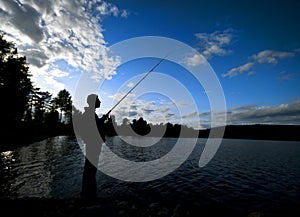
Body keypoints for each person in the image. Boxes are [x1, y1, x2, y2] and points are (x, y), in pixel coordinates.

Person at [80, 94, 108, 197]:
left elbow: (94, 125)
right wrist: (102, 120)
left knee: (90, 168)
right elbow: (93, 128)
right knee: (90, 169)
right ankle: (89, 194)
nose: (100, 102)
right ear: (93, 102)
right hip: (93, 145)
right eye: (98, 100)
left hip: (92, 144)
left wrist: (102, 120)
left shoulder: (89, 114)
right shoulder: (89, 114)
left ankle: (88, 192)